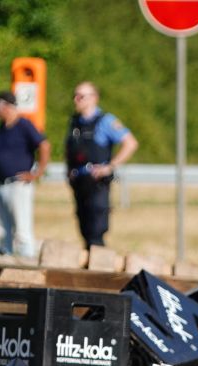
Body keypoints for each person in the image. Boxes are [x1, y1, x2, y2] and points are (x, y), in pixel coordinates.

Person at [66, 82, 139, 248]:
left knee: (96, 230)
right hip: (79, 181)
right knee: (84, 229)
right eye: (75, 96)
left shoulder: (106, 121)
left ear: (94, 98)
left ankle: (98, 259)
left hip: (97, 183)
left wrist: (110, 166)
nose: (76, 100)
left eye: (81, 96)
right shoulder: (75, 122)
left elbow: (130, 143)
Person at [0, 91, 50, 258]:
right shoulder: (1, 127)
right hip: (1, 183)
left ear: (7, 107)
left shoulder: (24, 125)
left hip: (18, 183)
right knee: (2, 228)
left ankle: (27, 259)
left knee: (22, 228)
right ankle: (5, 257)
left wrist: (37, 172)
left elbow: (44, 145)